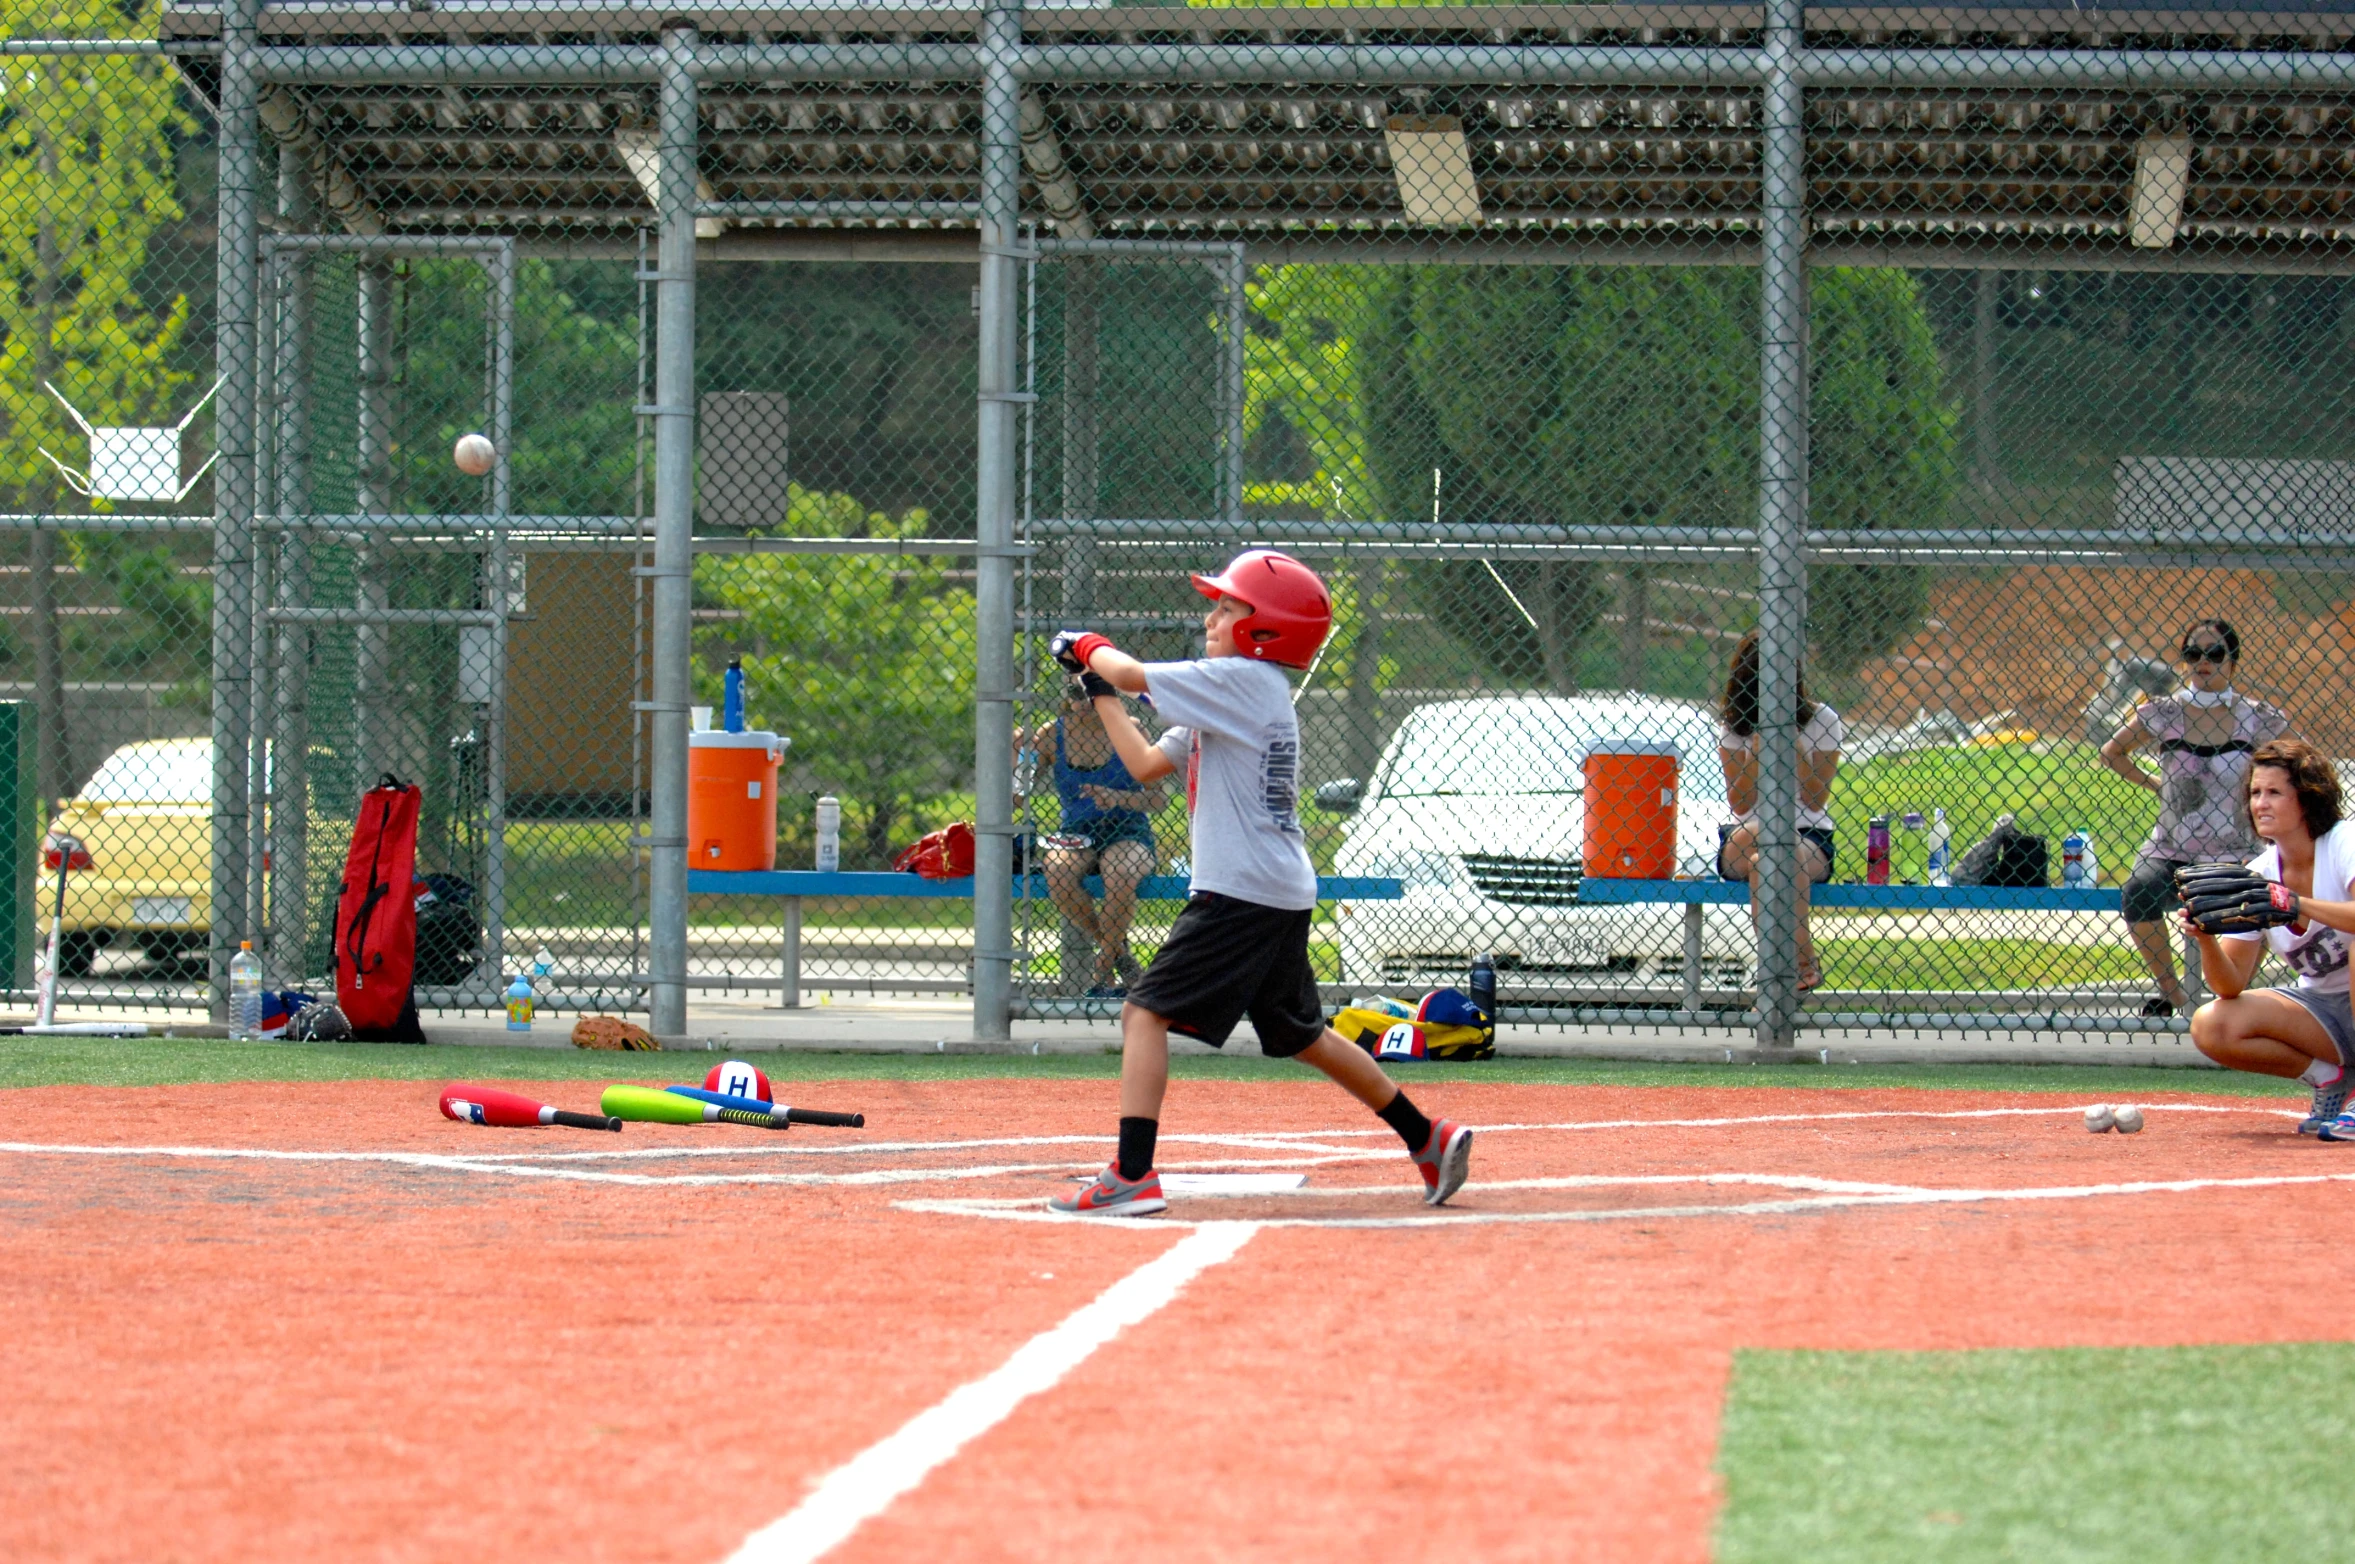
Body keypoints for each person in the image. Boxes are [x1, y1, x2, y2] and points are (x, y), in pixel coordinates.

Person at [1042, 549, 1472, 1217]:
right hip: (1272, 887)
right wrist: (1097, 693)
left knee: (1143, 1012)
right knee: (1302, 1035)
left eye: (1227, 607)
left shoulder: (1242, 680)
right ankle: (1428, 1137)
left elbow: (1127, 671)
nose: (1211, 616)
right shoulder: (1238, 690)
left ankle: (1130, 1175)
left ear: (1264, 630)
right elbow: (1146, 762)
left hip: (1239, 892)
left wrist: (1084, 645)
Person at [2100, 619, 2290, 1017]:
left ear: (2232, 661)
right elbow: (2112, 752)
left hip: (2238, 851)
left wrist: (2263, 803)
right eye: (2193, 654)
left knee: (2263, 897)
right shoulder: (2165, 712)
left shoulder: (2257, 718)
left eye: (2215, 653)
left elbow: (2296, 768)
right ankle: (2173, 993)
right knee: (2138, 890)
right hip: (2173, 849)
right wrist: (2155, 783)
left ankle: (2232, 997)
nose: (2203, 662)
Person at [2182, 739, 2355, 1137]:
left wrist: (2298, 905)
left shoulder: (2343, 843)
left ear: (2307, 798)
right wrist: (2205, 935)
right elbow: (2230, 984)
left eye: (2274, 792)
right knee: (2214, 1024)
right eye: (2256, 792)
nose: (2261, 803)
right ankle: (2333, 1079)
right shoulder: (2258, 876)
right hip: (2327, 1012)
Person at [1017, 680, 1164, 997]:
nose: (1081, 700)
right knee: (1057, 872)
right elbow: (1017, 795)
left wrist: (1117, 797)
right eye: (1073, 693)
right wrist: (1016, 754)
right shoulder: (1050, 734)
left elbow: (1158, 800)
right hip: (1077, 832)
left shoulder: (1130, 729)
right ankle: (1119, 956)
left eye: (1090, 692)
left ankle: (1102, 968)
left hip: (1127, 828)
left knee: (1121, 873)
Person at [1716, 630, 1842, 993]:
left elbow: (1815, 800)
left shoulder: (1823, 721)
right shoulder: (1734, 725)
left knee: (1767, 863)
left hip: (1807, 836)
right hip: (1748, 833)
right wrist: (1754, 757)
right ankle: (1803, 960)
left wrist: (1796, 750)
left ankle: (1775, 980)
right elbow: (1740, 804)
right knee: (1768, 847)